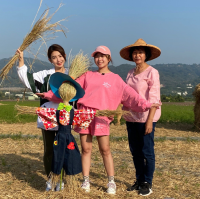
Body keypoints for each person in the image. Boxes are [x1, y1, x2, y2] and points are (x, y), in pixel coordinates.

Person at [72, 46, 160, 195]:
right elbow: (71, 88)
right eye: (97, 56)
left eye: (103, 56)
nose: (100, 59)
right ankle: (85, 179)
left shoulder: (115, 79)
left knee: (105, 149)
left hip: (102, 116)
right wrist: (51, 93)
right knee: (86, 149)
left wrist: (146, 105)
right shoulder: (87, 75)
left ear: (109, 59)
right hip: (85, 114)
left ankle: (111, 181)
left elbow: (130, 95)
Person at [16, 44, 68, 191]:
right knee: (50, 149)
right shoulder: (46, 74)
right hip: (48, 115)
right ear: (50, 60)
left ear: (64, 56)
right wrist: (21, 60)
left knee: (64, 148)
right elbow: (27, 79)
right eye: (54, 57)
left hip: (66, 114)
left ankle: (62, 180)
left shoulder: (72, 74)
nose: (58, 60)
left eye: (60, 56)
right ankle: (51, 179)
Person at [120, 38, 161, 196]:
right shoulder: (130, 73)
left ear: (146, 55)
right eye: (135, 53)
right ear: (131, 56)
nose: (137, 55)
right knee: (135, 151)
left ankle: (147, 182)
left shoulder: (152, 72)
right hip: (131, 117)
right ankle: (139, 179)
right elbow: (125, 94)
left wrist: (150, 120)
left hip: (146, 117)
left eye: (140, 52)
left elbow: (154, 99)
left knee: (147, 151)